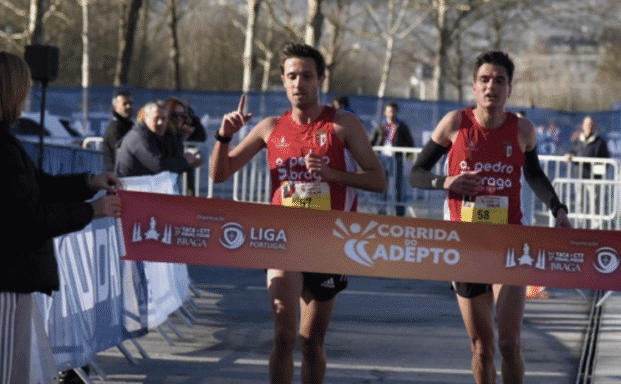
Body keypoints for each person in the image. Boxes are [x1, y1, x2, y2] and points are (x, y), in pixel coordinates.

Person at [209, 43, 386, 384]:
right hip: (283, 240)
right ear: (283, 81)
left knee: (311, 342)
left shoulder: (343, 124)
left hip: (328, 243)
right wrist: (224, 137)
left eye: (306, 76)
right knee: (283, 335)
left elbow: (378, 181)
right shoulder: (270, 127)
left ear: (321, 80)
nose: (298, 83)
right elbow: (220, 174)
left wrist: (333, 174)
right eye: (291, 76)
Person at [409, 50, 571, 384]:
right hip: (467, 245)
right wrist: (447, 182)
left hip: (509, 243)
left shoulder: (522, 129)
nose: (491, 87)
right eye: (484, 80)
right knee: (482, 348)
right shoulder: (455, 123)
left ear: (509, 89)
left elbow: (534, 175)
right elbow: (417, 173)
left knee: (510, 344)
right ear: (474, 87)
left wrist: (559, 209)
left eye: (499, 81)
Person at [0, 51, 122, 384]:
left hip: (12, 278)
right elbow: (29, 218)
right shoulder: (4, 148)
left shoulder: (7, 143)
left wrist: (89, 182)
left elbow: (39, 187)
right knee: (10, 373)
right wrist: (92, 210)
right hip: (7, 280)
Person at [114, 100, 203, 177]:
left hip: (141, 187)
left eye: (164, 119)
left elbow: (167, 163)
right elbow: (158, 166)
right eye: (156, 118)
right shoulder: (140, 136)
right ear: (146, 117)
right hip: (129, 188)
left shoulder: (155, 134)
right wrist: (185, 160)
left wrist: (188, 163)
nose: (160, 122)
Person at [370, 101, 415, 216]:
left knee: (399, 185)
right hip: (382, 159)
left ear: (397, 112)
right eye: (389, 111)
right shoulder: (380, 125)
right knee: (382, 184)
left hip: (397, 159)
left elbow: (410, 143)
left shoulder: (401, 126)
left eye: (393, 111)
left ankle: (400, 211)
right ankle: (381, 209)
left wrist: (409, 159)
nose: (391, 113)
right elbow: (373, 141)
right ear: (385, 112)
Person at [101, 90, 134, 171]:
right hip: (119, 175)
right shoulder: (115, 128)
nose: (128, 106)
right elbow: (122, 156)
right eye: (125, 104)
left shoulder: (128, 125)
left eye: (130, 103)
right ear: (115, 107)